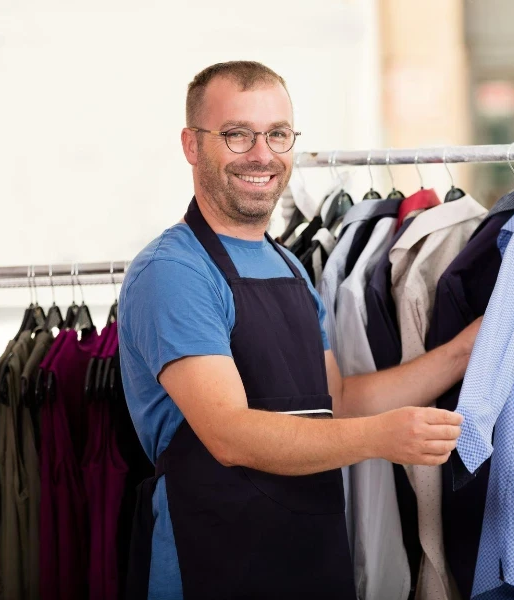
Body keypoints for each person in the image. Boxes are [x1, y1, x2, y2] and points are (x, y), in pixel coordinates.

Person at [119, 61, 479, 600]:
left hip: (311, 560)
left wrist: (461, 352)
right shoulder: (174, 272)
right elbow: (230, 434)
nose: (262, 154)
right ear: (192, 145)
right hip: (210, 565)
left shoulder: (288, 266)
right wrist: (382, 438)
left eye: (278, 134)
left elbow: (342, 399)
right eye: (237, 134)